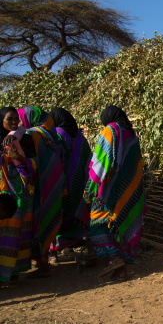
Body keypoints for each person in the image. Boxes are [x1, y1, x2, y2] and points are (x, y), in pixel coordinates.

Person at [84, 105, 146, 281]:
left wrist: (92, 185)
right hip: (127, 190)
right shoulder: (131, 134)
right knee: (117, 225)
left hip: (108, 190)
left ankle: (114, 258)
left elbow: (101, 161)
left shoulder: (110, 130)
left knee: (97, 223)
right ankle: (121, 270)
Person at [18, 106, 64, 277]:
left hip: (39, 185)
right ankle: (43, 261)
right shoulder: (52, 135)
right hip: (53, 184)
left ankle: (41, 262)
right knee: (45, 220)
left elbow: (30, 162)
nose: (20, 123)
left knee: (36, 222)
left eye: (21, 119)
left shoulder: (33, 135)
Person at [48, 108, 92, 260]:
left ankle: (53, 250)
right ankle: (76, 244)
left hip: (62, 185)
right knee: (77, 214)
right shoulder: (81, 138)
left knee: (57, 214)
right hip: (80, 186)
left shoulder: (57, 135)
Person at [0, 107, 36, 282]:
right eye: (10, 119)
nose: (14, 122)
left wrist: (20, 158)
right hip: (3, 193)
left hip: (21, 193)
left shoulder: (26, 140)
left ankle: (12, 272)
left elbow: (35, 164)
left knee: (17, 232)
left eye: (16, 119)